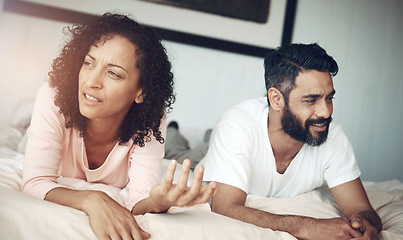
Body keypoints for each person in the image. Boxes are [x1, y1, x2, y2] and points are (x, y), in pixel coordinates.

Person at [21, 13, 216, 240]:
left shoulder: (150, 119)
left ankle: (173, 130)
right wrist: (93, 199)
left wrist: (157, 202)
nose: (91, 82)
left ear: (140, 92)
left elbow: (139, 200)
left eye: (113, 73)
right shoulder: (53, 96)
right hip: (45, 129)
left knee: (178, 147)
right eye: (88, 63)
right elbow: (35, 181)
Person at [201, 43, 382, 239]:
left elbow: (362, 209)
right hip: (206, 155)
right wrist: (306, 226)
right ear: (276, 99)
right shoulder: (236, 125)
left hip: (237, 144)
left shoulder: (332, 135)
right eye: (311, 100)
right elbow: (225, 207)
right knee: (185, 149)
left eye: (329, 98)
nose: (326, 112)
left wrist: (364, 224)